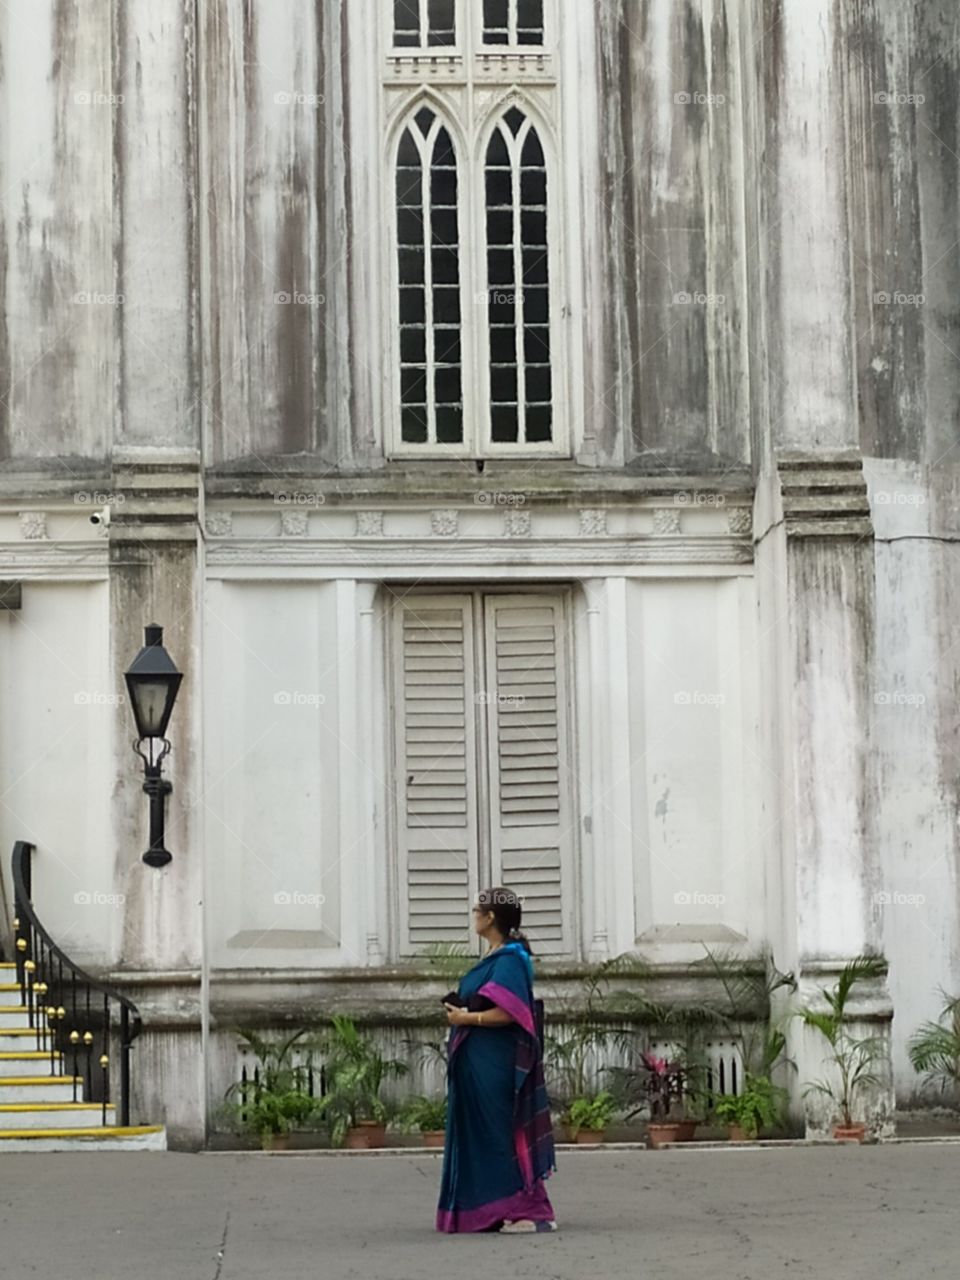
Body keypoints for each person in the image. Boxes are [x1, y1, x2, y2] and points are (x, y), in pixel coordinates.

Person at [435, 887, 557, 1234]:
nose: (473, 916)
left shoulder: (510, 959)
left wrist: (466, 1018)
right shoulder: (494, 957)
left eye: (477, 911)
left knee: (502, 1133)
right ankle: (489, 1209)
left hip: (495, 1064)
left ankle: (531, 1211)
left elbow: (511, 1012)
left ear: (490, 918)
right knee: (483, 1137)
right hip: (476, 1063)